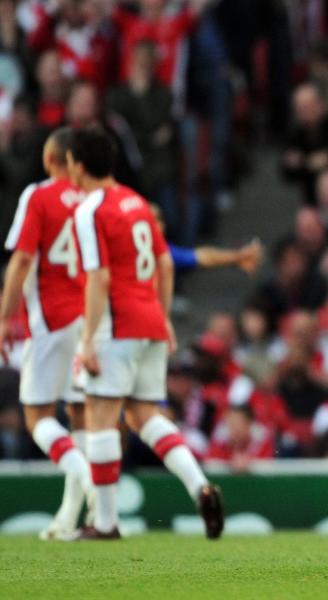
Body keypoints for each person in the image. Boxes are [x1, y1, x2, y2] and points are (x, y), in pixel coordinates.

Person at [69, 127, 223, 539]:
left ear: (77, 166)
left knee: (100, 416)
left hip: (117, 324)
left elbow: (98, 276)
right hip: (151, 320)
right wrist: (164, 315)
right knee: (143, 416)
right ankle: (199, 485)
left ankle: (104, 523)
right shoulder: (136, 203)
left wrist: (87, 339)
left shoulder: (89, 210)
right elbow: (165, 264)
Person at [0, 128, 92, 541]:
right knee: (80, 417)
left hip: (51, 319)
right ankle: (69, 517)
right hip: (90, 320)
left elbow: (21, 259)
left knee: (36, 415)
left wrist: (4, 318)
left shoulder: (38, 196)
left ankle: (87, 476)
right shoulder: (93, 199)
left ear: (49, 157)